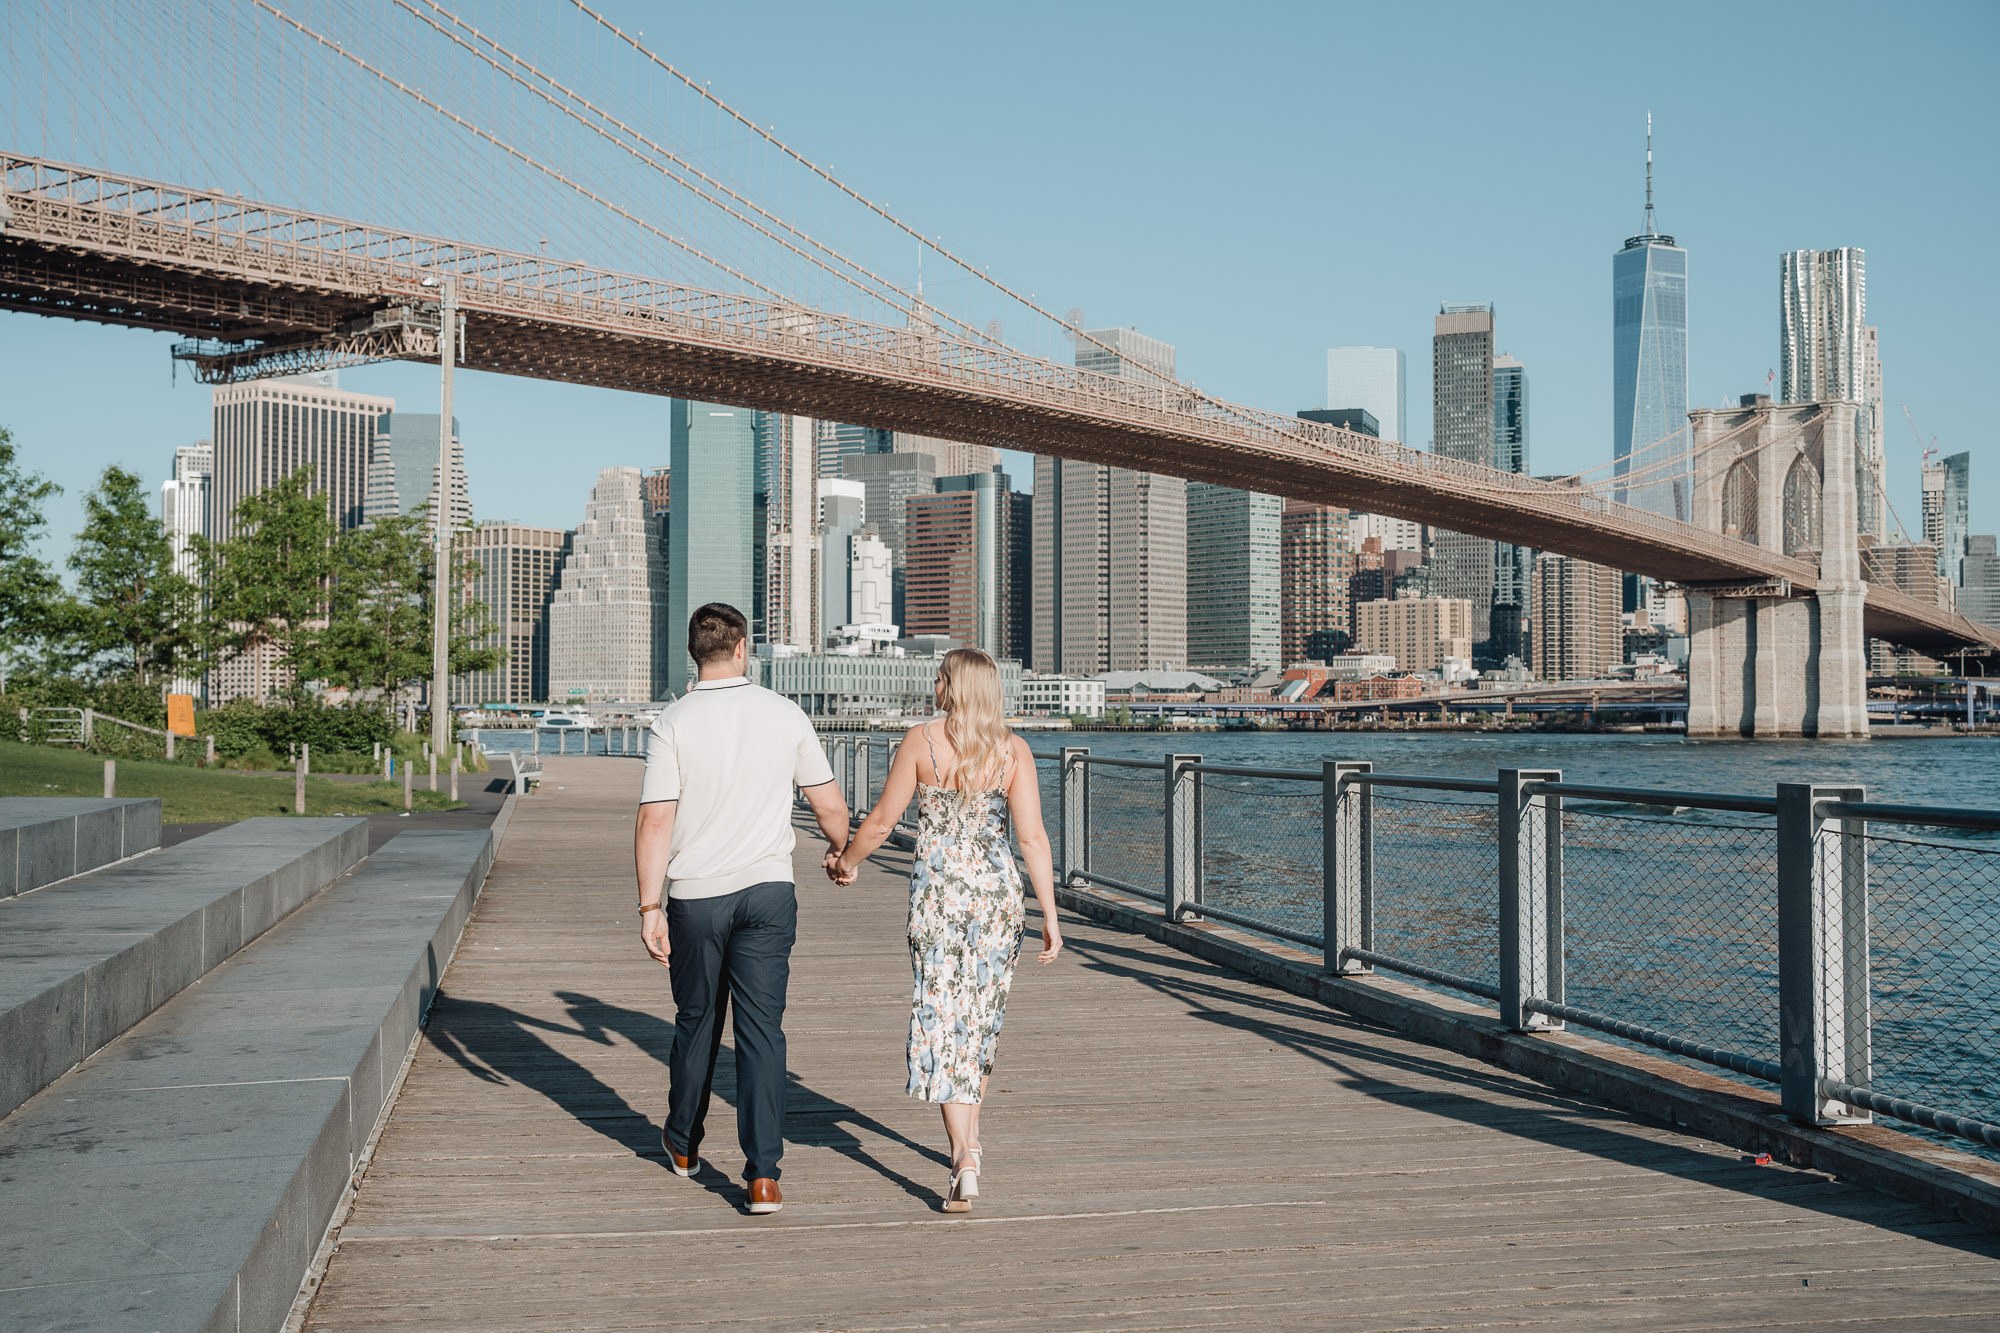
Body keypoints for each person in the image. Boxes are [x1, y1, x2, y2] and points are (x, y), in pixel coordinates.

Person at [634, 603, 851, 1216]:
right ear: (741, 648)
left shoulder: (673, 721)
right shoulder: (784, 713)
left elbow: (655, 820)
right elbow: (829, 806)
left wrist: (649, 906)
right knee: (761, 1032)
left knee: (696, 1020)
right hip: (767, 892)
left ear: (693, 654)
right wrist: (841, 851)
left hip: (696, 897)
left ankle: (682, 1144)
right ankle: (762, 1177)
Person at [829, 647, 1061, 1212]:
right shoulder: (1013, 750)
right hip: (998, 899)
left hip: (939, 898)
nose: (934, 684)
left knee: (942, 1014)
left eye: (940, 677)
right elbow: (1031, 838)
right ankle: (971, 1144)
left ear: (955, 687)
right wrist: (1051, 915)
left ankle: (962, 1156)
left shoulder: (921, 741)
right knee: (980, 1019)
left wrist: (846, 861)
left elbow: (882, 822)